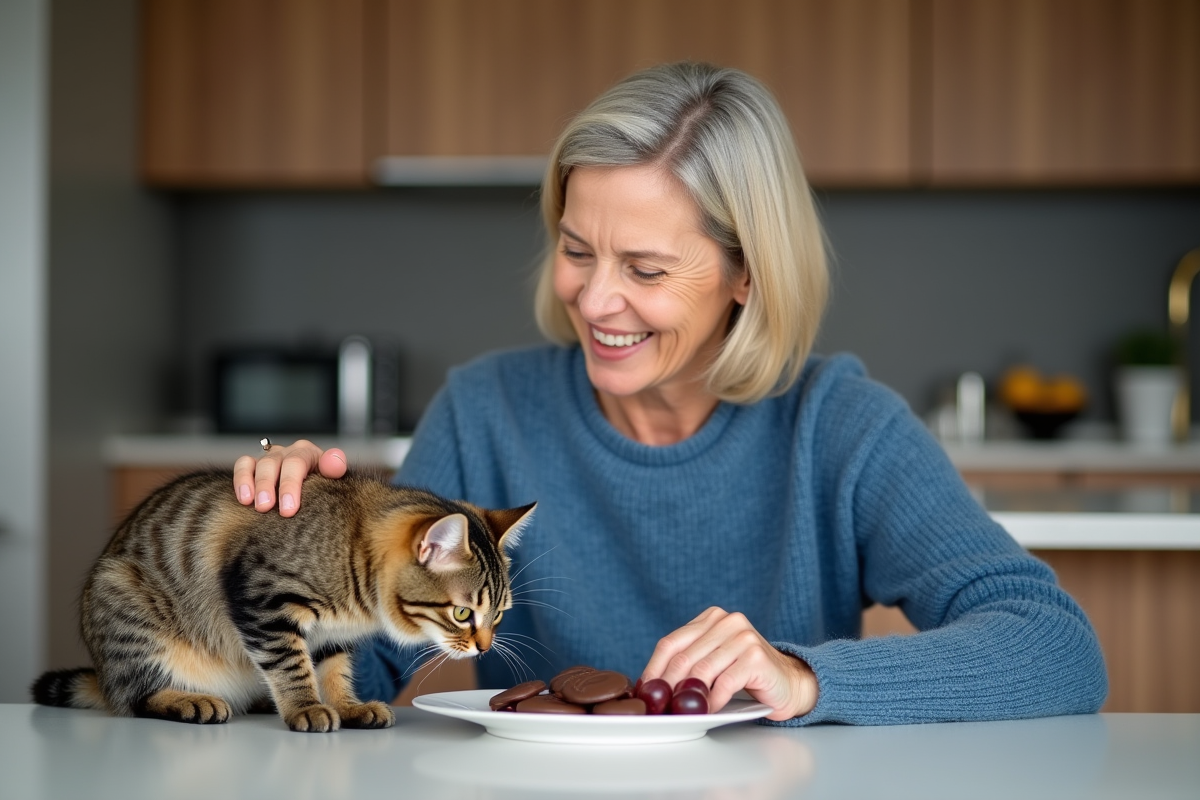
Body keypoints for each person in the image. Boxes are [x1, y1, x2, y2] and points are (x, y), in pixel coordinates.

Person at [233, 62, 1107, 725]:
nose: (595, 299)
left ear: (746, 276)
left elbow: (1059, 648)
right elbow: (364, 681)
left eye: (645, 268)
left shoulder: (839, 427)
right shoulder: (484, 411)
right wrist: (291, 552)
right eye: (578, 250)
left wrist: (805, 678)